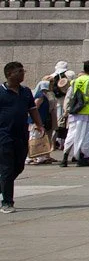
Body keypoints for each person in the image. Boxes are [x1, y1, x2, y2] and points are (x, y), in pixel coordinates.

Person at [1, 61, 43, 214]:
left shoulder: (25, 92)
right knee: (6, 168)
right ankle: (7, 202)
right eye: (19, 71)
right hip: (4, 135)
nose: (23, 73)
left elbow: (32, 109)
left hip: (21, 134)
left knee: (19, 166)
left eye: (22, 71)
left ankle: (3, 184)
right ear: (9, 74)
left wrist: (39, 124)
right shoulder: (1, 91)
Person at [63, 61, 89, 167]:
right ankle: (82, 158)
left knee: (72, 134)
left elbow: (71, 95)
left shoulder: (76, 80)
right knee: (86, 136)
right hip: (88, 111)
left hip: (76, 111)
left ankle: (65, 157)